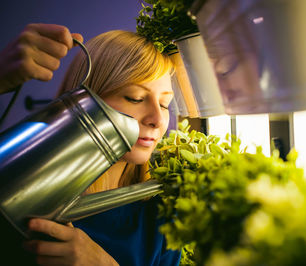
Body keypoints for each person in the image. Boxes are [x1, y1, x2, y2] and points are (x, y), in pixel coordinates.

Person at [0, 24, 181, 266]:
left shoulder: (162, 214)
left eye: (164, 104)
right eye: (135, 98)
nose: (158, 120)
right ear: (86, 99)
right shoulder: (21, 187)